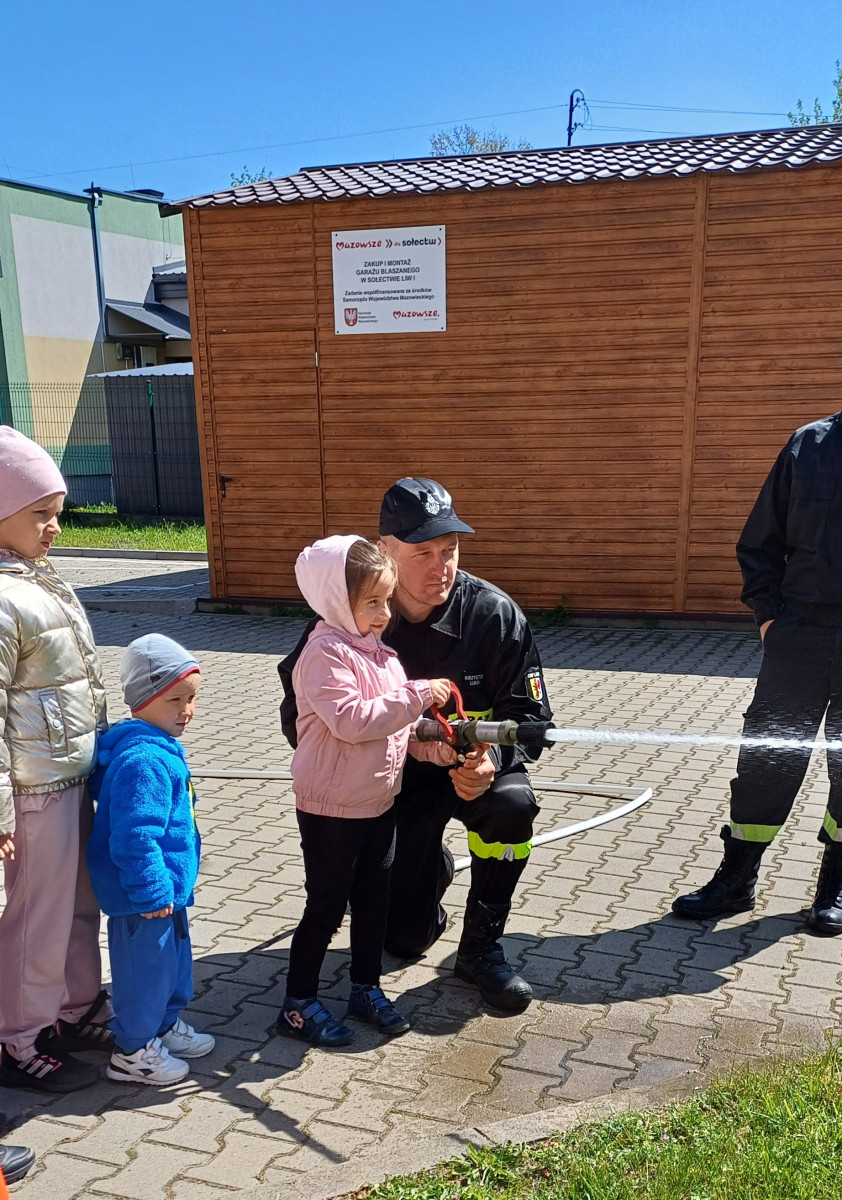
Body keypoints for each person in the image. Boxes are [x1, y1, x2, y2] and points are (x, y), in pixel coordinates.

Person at [378, 478, 553, 1010]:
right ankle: (432, 868)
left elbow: (532, 719)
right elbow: (303, 713)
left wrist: (491, 759)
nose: (442, 567)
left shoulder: (494, 615)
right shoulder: (355, 616)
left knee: (513, 806)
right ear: (385, 550)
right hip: (400, 780)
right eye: (423, 553)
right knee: (403, 940)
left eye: (450, 549)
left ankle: (480, 948)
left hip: (475, 774)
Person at [276, 535, 453, 1048]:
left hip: (378, 803)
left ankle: (365, 987)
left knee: (376, 902)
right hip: (331, 809)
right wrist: (419, 694)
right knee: (327, 906)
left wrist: (433, 747)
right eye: (371, 602)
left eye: (386, 600)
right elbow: (354, 721)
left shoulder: (382, 656)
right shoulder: (323, 653)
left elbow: (397, 727)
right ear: (336, 599)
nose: (383, 614)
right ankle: (298, 1003)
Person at [673, 411, 842, 933]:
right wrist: (769, 619)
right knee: (767, 761)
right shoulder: (809, 446)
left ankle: (835, 885)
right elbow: (760, 541)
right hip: (801, 634)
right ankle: (737, 879)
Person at [0, 426, 110, 1094]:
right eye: (40, 512)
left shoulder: (37, 580)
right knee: (36, 919)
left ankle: (73, 1007)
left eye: (57, 512)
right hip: (34, 792)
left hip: (72, 775)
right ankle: (19, 1036)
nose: (55, 527)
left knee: (77, 905)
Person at [87, 634, 215, 1085]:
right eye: (174, 700)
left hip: (167, 892)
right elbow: (134, 836)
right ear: (142, 700)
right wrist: (152, 890)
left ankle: (162, 1026)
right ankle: (132, 1050)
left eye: (192, 698)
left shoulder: (160, 747)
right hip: (143, 898)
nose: (186, 710)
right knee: (144, 974)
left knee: (172, 968)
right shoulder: (143, 760)